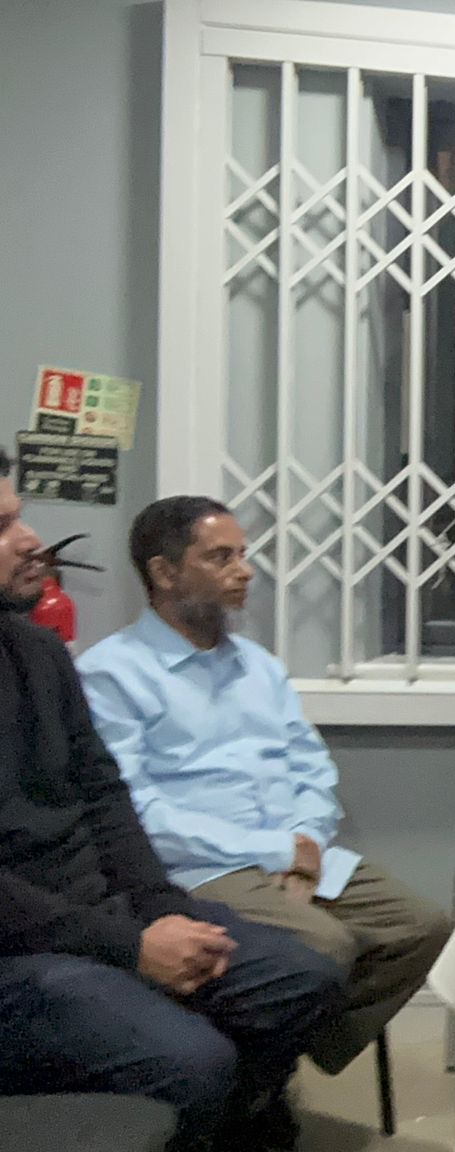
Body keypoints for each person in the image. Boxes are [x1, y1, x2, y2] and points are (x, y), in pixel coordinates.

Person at [0, 465, 341, 1152]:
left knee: (305, 978)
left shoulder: (37, 649)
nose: (31, 539)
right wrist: (130, 947)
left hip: (104, 910)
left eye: (19, 516)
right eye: (3, 526)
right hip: (22, 948)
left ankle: (231, 1127)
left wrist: (160, 907)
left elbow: (105, 793)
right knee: (193, 1060)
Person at [78, 496, 454, 1079]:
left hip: (295, 849)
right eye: (220, 557)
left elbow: (310, 765)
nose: (245, 570)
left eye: (243, 554)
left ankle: (268, 1064)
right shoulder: (112, 672)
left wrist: (306, 840)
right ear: (164, 572)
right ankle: (257, 1076)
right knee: (325, 945)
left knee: (424, 927)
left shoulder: (258, 665)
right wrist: (279, 852)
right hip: (200, 867)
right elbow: (134, 811)